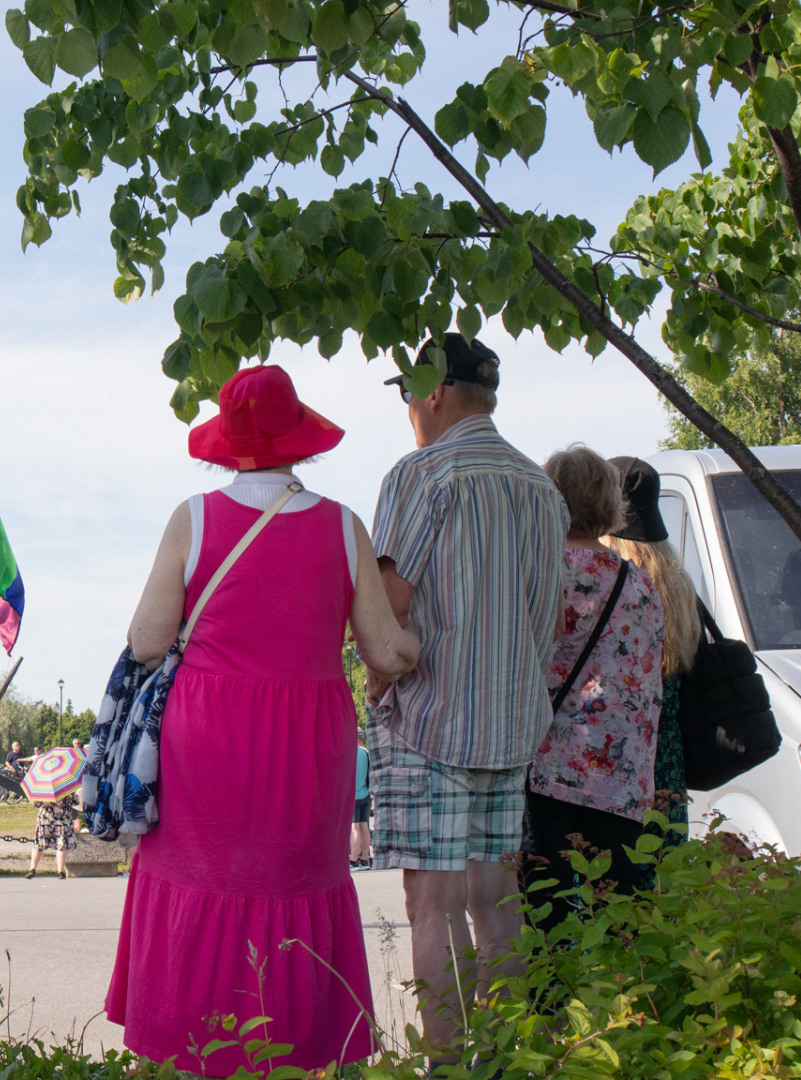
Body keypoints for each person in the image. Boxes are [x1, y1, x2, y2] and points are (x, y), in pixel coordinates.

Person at [109, 364, 421, 1073]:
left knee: (197, 874)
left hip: (205, 731)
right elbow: (383, 649)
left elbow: (147, 640)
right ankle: (294, 1051)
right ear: (296, 438)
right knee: (296, 882)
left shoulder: (192, 517)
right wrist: (418, 642)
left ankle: (190, 1051)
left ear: (228, 440)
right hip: (308, 736)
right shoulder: (343, 526)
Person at [364, 334, 567, 1054]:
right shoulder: (540, 485)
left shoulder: (423, 474)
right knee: (498, 901)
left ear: (436, 392)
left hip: (433, 721)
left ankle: (448, 1064)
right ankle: (506, 1057)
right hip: (511, 721)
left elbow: (387, 608)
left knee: (434, 908)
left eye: (408, 393)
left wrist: (376, 676)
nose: (409, 408)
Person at [523, 447, 666, 928]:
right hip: (622, 781)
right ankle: (626, 1002)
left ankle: (551, 1006)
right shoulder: (641, 583)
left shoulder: (541, 574)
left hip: (549, 774)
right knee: (622, 920)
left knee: (548, 920)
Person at [602, 455, 696, 884]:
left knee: (616, 896)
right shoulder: (676, 582)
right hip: (671, 763)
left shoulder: (614, 581)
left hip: (620, 763)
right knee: (666, 889)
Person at [27, 791, 78, 880]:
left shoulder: (43, 787)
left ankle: (32, 868)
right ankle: (60, 871)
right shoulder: (65, 787)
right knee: (61, 843)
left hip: (46, 817)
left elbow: (36, 803)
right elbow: (75, 801)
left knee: (39, 842)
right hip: (62, 817)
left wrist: (44, 801)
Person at [350, 735, 372, 869]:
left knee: (354, 828)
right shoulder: (365, 752)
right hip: (365, 794)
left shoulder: (350, 753)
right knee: (364, 826)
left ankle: (353, 860)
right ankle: (365, 859)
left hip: (353, 795)